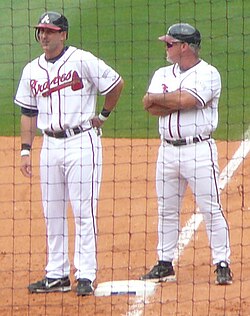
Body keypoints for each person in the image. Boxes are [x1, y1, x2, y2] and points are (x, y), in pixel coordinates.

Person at [14, 11, 124, 296]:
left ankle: (85, 274)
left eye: (50, 31)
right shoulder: (31, 70)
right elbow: (28, 112)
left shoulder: (82, 59)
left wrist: (103, 115)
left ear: (63, 34)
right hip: (49, 146)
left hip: (81, 142)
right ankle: (57, 274)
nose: (44, 36)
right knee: (52, 213)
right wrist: (26, 150)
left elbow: (115, 83)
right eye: (41, 31)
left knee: (83, 211)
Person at [140, 23, 232, 285]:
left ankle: (222, 262)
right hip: (167, 150)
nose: (165, 48)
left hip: (198, 150)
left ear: (184, 47)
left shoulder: (209, 73)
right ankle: (164, 262)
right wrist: (164, 100)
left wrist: (160, 98)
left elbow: (187, 101)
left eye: (169, 44)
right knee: (167, 209)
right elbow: (150, 106)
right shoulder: (161, 73)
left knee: (210, 207)